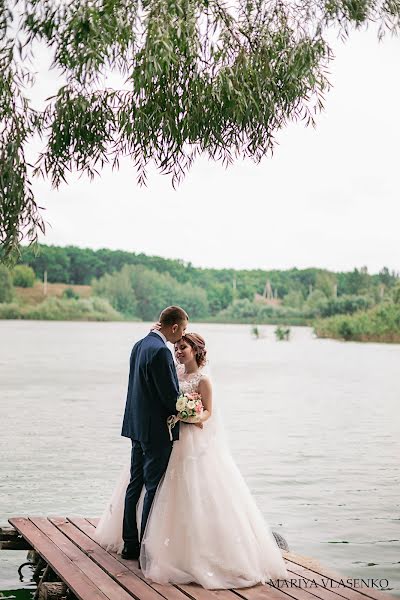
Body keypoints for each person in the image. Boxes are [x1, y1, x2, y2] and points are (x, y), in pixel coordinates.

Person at [95, 328, 288, 588]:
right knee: (160, 486)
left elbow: (208, 412)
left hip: (191, 438)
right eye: (177, 347)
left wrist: (190, 416)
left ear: (196, 350)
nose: (178, 351)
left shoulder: (203, 380)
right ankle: (149, 542)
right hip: (168, 436)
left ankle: (189, 551)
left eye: (183, 348)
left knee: (190, 489)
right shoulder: (173, 371)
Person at [117, 305, 189, 560]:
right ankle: (146, 547)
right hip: (156, 431)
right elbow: (169, 396)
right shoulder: (160, 351)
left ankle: (129, 544)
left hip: (136, 426)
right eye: (183, 330)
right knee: (152, 487)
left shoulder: (139, 345)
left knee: (134, 484)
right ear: (174, 327)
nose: (181, 337)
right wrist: (185, 409)